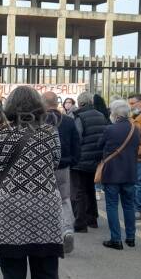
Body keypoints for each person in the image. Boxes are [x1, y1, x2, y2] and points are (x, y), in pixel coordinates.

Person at [0, 86, 63, 279]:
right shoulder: (50, 132)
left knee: (12, 275)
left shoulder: (3, 132)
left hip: (10, 206)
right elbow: (56, 162)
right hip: (45, 205)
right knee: (46, 274)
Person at [98, 100, 140, 250]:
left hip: (112, 172)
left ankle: (116, 239)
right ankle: (131, 237)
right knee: (129, 205)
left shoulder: (110, 129)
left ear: (114, 113)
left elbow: (99, 145)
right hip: (129, 171)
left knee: (112, 205)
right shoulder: (135, 128)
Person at [43, 91, 80, 254]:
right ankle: (66, 230)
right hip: (63, 166)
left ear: (43, 104)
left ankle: (46, 235)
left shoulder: (38, 121)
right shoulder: (69, 121)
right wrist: (72, 161)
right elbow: (76, 145)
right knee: (64, 199)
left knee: (43, 198)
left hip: (43, 168)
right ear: (57, 103)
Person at [70, 92, 109, 232]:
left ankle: (80, 223)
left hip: (81, 159)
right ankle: (92, 219)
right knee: (90, 189)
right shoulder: (100, 115)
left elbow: (77, 138)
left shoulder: (79, 116)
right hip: (95, 158)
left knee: (78, 191)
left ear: (80, 103)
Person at [93, 94, 109, 202]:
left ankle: (97, 190)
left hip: (95, 145)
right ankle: (100, 188)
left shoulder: (93, 114)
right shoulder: (106, 114)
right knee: (102, 167)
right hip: (104, 146)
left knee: (96, 169)